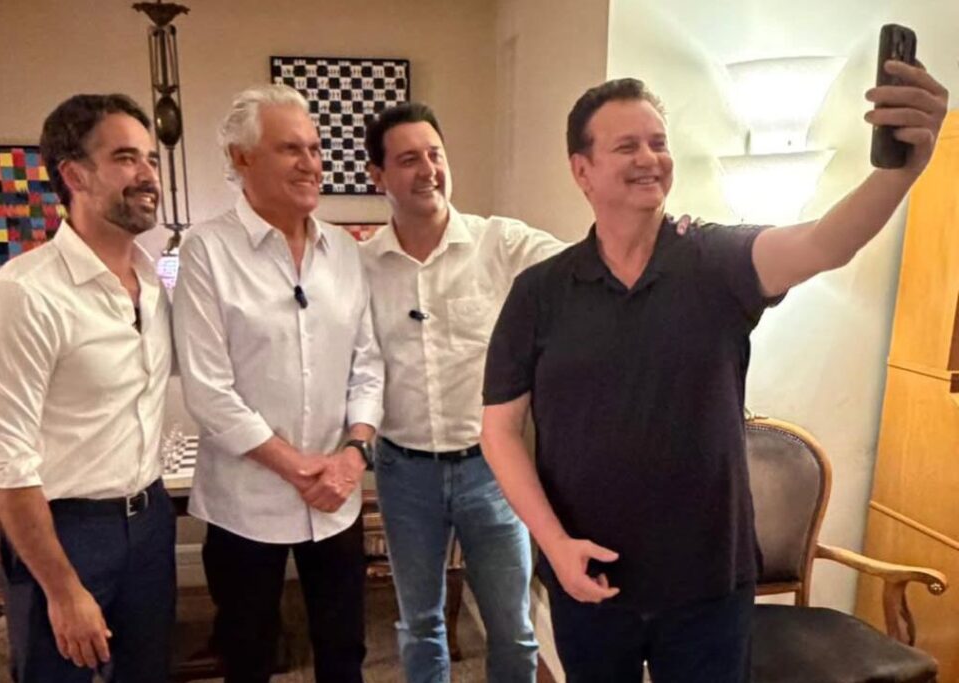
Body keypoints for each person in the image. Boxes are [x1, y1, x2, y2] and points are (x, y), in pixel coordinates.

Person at [481, 64, 948, 683]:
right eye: (627, 145)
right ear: (582, 170)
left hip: (708, 586)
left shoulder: (718, 260)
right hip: (588, 575)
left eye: (658, 142)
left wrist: (901, 170)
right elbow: (499, 430)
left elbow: (824, 244)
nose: (650, 158)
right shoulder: (539, 292)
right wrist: (554, 545)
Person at [172, 84, 384, 683]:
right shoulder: (206, 251)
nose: (311, 163)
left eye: (314, 148)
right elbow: (209, 391)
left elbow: (368, 364)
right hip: (245, 505)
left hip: (337, 499)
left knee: (344, 653)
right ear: (242, 158)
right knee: (248, 656)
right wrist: (299, 468)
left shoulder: (344, 250)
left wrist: (352, 454)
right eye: (291, 149)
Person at [0, 93, 175, 682]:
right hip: (64, 532)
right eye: (125, 158)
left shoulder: (154, 284)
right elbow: (5, 465)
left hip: (150, 520)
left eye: (150, 159)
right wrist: (62, 589)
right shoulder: (21, 296)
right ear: (75, 175)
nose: (147, 175)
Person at [360, 102, 563, 682]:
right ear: (378, 175)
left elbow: (586, 261)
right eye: (408, 160)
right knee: (420, 626)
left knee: (513, 628)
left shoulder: (499, 243)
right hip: (404, 473)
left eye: (435, 154)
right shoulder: (361, 266)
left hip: (491, 470)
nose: (428, 170)